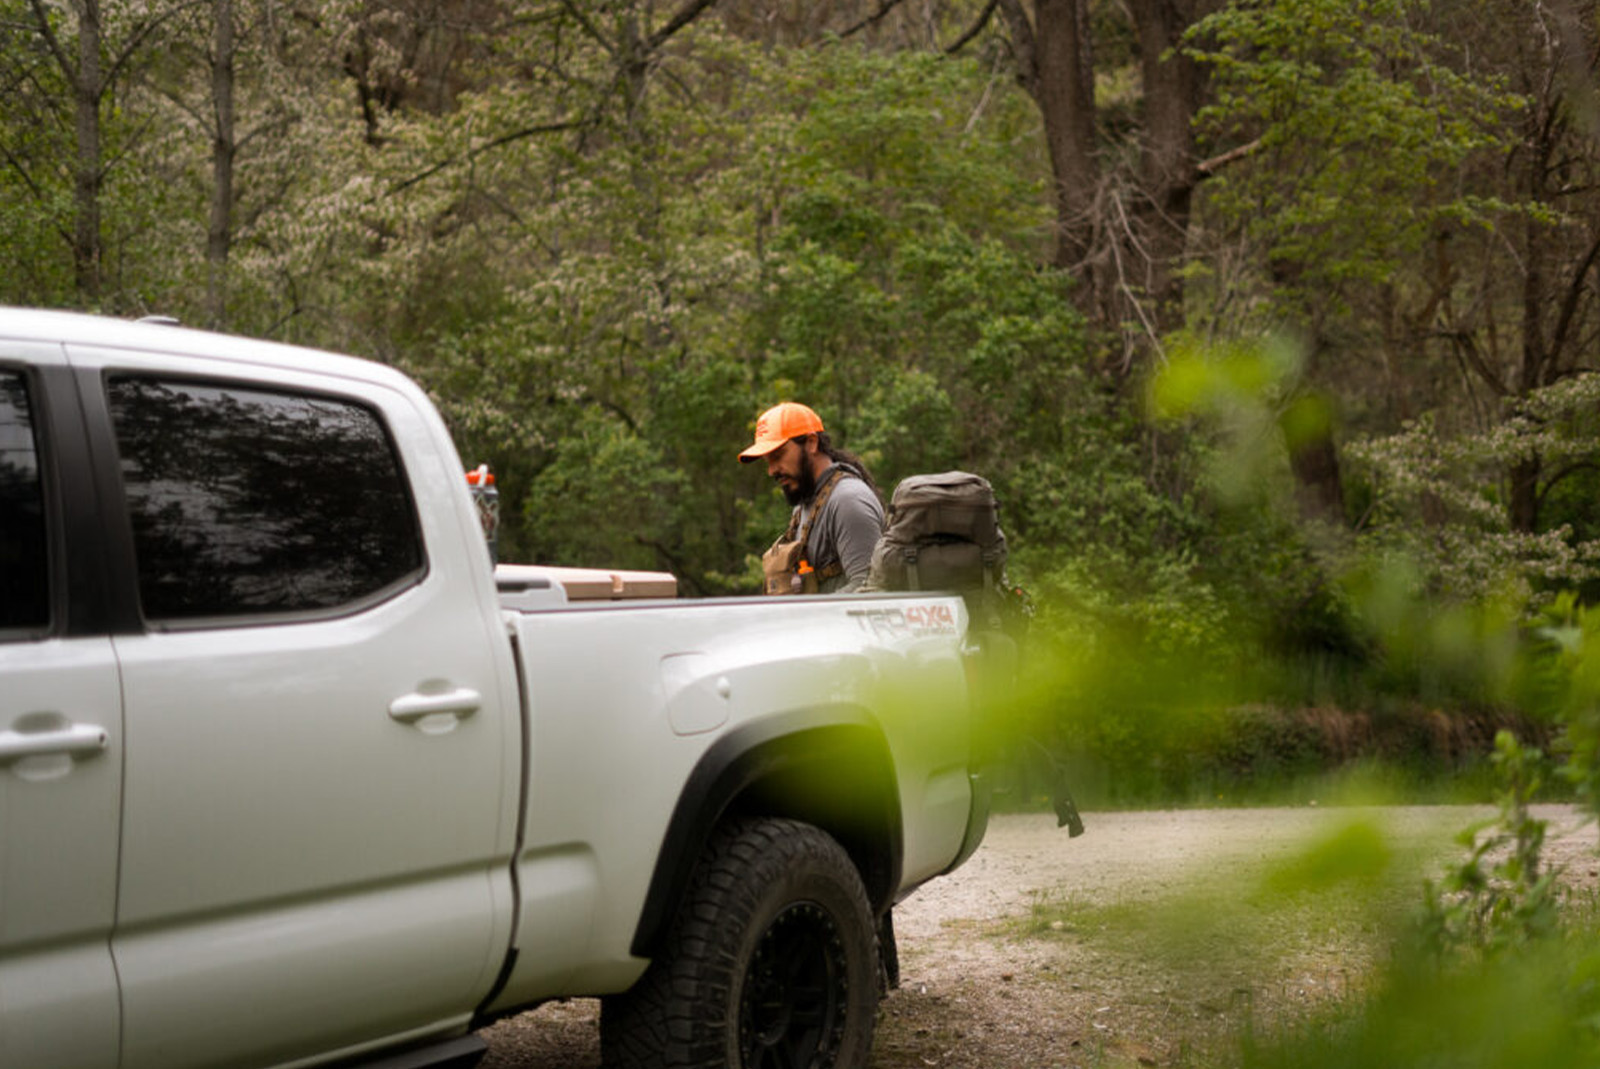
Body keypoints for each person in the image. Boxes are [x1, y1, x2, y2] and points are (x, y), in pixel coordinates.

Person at [739, 401, 885, 594]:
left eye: (778, 455)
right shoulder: (806, 503)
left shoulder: (847, 501)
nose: (771, 470)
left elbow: (870, 591)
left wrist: (809, 614)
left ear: (811, 443)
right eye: (768, 461)